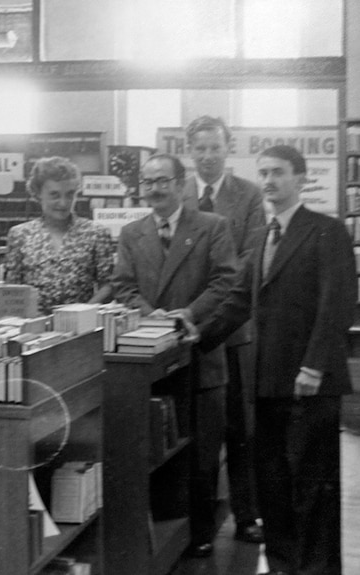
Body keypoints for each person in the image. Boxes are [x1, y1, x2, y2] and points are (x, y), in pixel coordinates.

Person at [199, 145, 355, 575]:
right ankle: (284, 565)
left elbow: (338, 302)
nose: (269, 181)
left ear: (301, 179)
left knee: (313, 487)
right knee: (274, 485)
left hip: (310, 383)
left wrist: (315, 366)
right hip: (266, 384)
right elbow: (236, 303)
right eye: (263, 173)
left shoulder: (326, 230)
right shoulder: (263, 236)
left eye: (279, 173)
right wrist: (194, 335)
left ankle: (318, 570)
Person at [112, 153, 237, 558]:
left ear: (182, 184)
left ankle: (200, 534)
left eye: (163, 180)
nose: (154, 189)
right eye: (147, 182)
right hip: (152, 360)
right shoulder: (132, 233)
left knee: (202, 451)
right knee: (160, 451)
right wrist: (153, 318)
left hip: (200, 353)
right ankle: (166, 535)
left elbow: (225, 281)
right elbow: (124, 288)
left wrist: (186, 315)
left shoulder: (213, 227)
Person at [182, 115, 266, 545]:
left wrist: (210, 317)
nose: (209, 156)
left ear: (228, 149)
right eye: (201, 148)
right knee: (192, 428)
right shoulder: (178, 194)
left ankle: (247, 514)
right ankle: (194, 523)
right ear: (190, 151)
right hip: (186, 331)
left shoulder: (248, 196)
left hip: (231, 329)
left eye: (216, 148)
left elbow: (248, 262)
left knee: (240, 425)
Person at [5, 156, 114, 313]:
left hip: (82, 327)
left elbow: (108, 285)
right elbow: (12, 291)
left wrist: (83, 311)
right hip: (34, 328)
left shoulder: (96, 234)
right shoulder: (20, 235)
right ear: (37, 194)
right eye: (54, 195)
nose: (63, 203)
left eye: (70, 194)